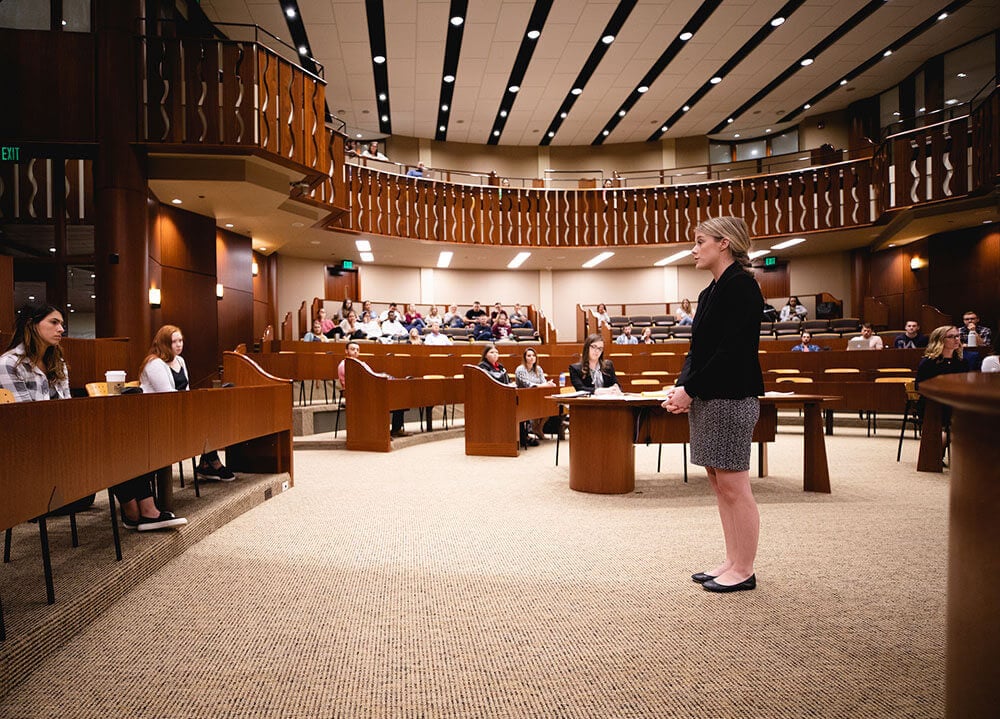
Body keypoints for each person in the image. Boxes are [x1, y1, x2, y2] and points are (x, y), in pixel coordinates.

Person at [2, 303, 186, 531]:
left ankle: (142, 511)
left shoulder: (56, 362)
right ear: (32, 325)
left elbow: (67, 406)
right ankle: (139, 512)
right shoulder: (9, 363)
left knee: (127, 436)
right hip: (34, 447)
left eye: (62, 323)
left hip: (61, 436)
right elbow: (23, 420)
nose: (61, 329)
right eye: (54, 322)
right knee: (113, 442)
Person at [660, 216, 764, 594]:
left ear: (724, 243)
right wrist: (681, 386)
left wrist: (692, 388)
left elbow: (731, 351)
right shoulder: (709, 293)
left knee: (735, 486)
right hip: (709, 397)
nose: (693, 248)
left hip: (732, 396)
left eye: (699, 241)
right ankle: (732, 560)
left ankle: (745, 568)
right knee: (720, 486)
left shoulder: (743, 287)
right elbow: (698, 351)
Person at [141, 325, 234, 482]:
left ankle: (207, 463)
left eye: (181, 340)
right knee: (205, 420)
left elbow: (186, 389)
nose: (179, 345)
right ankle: (211, 463)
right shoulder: (154, 363)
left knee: (213, 416)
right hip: (160, 415)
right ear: (164, 343)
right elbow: (167, 396)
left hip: (180, 410)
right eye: (174, 341)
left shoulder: (180, 361)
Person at [338, 342, 407, 437]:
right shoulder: (344, 365)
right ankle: (380, 434)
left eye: (357, 350)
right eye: (353, 349)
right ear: (346, 351)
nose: (355, 352)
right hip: (356, 395)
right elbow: (360, 381)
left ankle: (396, 429)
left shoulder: (360, 363)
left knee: (399, 400)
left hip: (366, 391)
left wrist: (384, 375)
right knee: (384, 402)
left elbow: (372, 375)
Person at [915, 326, 970, 448]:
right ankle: (935, 453)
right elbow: (919, 386)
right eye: (951, 337)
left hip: (955, 403)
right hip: (933, 403)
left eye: (957, 336)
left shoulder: (961, 362)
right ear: (940, 340)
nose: (956, 339)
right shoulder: (929, 362)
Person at [514, 347, 556, 446]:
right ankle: (535, 428)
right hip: (524, 398)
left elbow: (543, 382)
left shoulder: (538, 369)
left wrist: (548, 384)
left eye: (533, 356)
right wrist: (545, 385)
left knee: (550, 405)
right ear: (524, 358)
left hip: (538, 396)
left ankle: (538, 428)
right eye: (529, 356)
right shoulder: (520, 369)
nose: (532, 358)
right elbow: (528, 385)